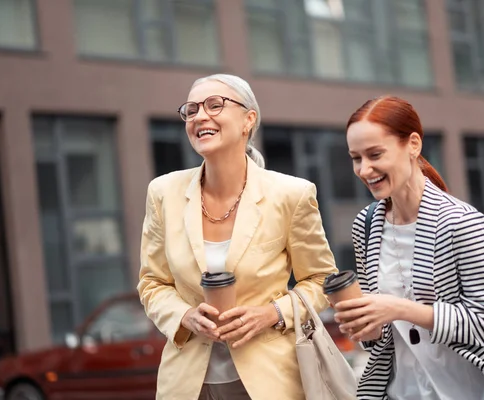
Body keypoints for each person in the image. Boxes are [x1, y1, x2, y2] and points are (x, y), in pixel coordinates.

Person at [334, 95, 484, 400]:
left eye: (375, 154)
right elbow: (384, 339)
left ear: (413, 144)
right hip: (404, 391)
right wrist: (365, 325)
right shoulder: (366, 225)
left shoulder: (464, 224)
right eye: (356, 158)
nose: (364, 169)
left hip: (477, 390)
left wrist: (397, 308)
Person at [137, 73, 338, 399]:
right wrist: (185, 316)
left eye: (215, 105)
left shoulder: (291, 194)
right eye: (191, 109)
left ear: (248, 120)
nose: (200, 116)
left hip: (271, 381)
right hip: (188, 383)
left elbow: (320, 281)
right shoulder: (163, 192)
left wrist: (271, 313)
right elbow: (152, 283)